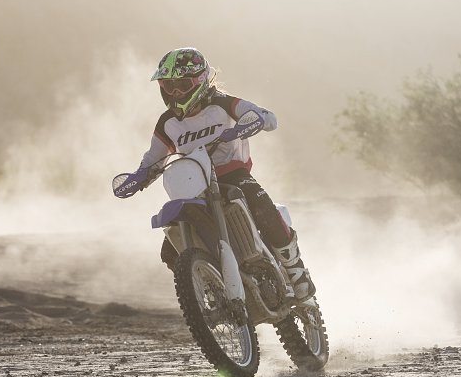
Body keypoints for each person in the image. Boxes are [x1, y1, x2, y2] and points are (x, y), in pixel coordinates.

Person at [115, 47, 315, 300]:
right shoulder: (167, 122)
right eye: (168, 86)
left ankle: (295, 269)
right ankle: (210, 289)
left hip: (232, 175)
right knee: (170, 250)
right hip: (195, 184)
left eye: (182, 84)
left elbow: (269, 118)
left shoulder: (223, 104)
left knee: (258, 200)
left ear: (200, 82)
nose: (175, 92)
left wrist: (251, 123)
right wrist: (138, 177)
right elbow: (154, 158)